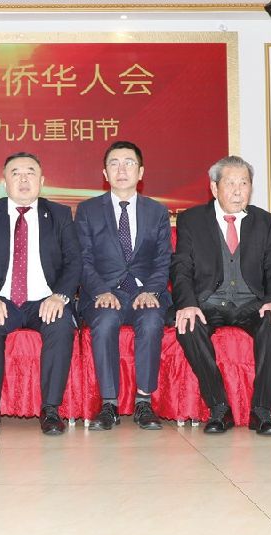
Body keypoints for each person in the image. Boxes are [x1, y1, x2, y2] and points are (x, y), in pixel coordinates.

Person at [172, 156, 271, 435]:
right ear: (214, 188)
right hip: (208, 302)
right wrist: (188, 304)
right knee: (188, 325)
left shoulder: (264, 221)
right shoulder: (192, 220)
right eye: (231, 183)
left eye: (244, 183)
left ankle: (261, 410)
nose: (238, 191)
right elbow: (181, 268)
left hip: (251, 303)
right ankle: (219, 408)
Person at [0, 152, 81, 436]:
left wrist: (60, 296)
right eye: (15, 173)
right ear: (4, 182)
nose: (24, 179)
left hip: (45, 300)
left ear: (42, 181)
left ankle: (51, 410)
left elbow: (74, 261)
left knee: (61, 325)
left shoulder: (59, 214)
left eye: (30, 172)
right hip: (2, 299)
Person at [75, 140, 172, 431]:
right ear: (105, 173)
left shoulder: (157, 211)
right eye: (114, 164)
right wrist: (100, 291)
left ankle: (144, 402)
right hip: (103, 292)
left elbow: (163, 259)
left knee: (152, 320)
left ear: (140, 172)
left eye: (129, 163)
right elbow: (83, 259)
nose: (121, 170)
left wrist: (151, 291)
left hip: (145, 291)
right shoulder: (88, 210)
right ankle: (109, 404)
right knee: (105, 321)